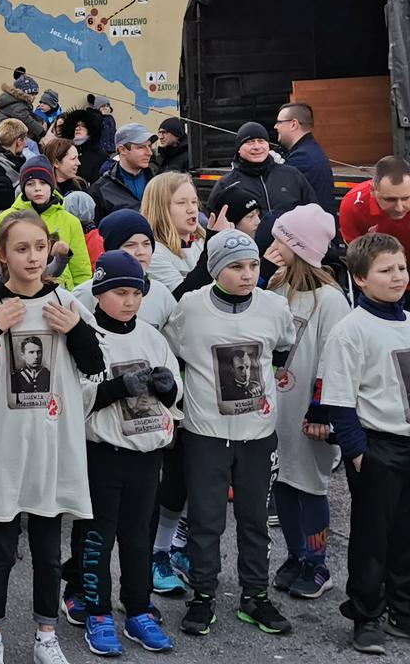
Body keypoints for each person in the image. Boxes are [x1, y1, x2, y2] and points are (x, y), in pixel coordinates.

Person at [0, 210, 104, 664]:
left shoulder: (68, 305)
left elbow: (96, 369)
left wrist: (75, 331)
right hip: (3, 448)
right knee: (0, 551)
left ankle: (45, 636)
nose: (33, 257)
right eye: (21, 248)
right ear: (1, 254)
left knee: (47, 552)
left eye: (39, 246)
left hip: (52, 447)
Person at [164, 229, 294, 638]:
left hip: (258, 432)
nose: (247, 274)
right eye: (236, 266)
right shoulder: (191, 307)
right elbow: (174, 350)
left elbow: (282, 348)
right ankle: (203, 594)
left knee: (255, 519)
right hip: (206, 432)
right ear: (215, 268)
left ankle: (255, 595)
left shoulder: (274, 306)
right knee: (206, 519)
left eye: (253, 265)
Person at [66, 251, 181, 655]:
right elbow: (73, 396)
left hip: (146, 453)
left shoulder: (152, 335)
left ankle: (138, 609)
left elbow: (175, 391)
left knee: (137, 538)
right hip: (104, 453)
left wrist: (167, 387)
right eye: (119, 292)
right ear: (99, 292)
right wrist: (117, 388)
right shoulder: (86, 335)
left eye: (136, 292)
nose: (130, 301)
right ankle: (96, 611)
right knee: (98, 536)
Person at [315, 232, 410, 653]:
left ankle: (402, 611)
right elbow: (339, 400)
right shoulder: (351, 330)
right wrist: (357, 454)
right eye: (386, 271)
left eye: (402, 268)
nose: (397, 277)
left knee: (406, 535)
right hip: (377, 447)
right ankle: (366, 615)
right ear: (360, 278)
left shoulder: (409, 322)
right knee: (373, 537)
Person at [261, 204, 349, 601]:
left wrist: (322, 410)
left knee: (311, 486)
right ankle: (296, 555)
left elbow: (335, 359)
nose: (274, 244)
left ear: (300, 246)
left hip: (308, 412)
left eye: (282, 238)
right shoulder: (278, 284)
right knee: (283, 480)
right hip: (277, 405)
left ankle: (318, 563)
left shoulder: (331, 300)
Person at [0, 157, 92, 291]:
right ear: (23, 187)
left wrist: (80, 297)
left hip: (61, 293)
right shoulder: (4, 219)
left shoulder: (70, 221)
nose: (37, 189)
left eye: (43, 183)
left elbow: (81, 269)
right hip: (18, 291)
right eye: (30, 184)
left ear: (51, 185)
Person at [207, 122, 317, 227]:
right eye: (249, 142)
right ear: (239, 149)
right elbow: (213, 221)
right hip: (249, 246)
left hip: (289, 245)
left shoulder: (292, 175)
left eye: (261, 141)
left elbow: (313, 212)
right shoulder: (226, 184)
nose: (257, 146)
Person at [141, 172, 218, 296]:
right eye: (182, 203)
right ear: (160, 209)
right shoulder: (153, 253)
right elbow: (181, 296)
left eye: (194, 202)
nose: (192, 209)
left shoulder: (202, 242)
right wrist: (212, 249)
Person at [275, 102, 334, 215]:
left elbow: (283, 198)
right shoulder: (309, 149)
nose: (275, 127)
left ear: (293, 124)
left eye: (279, 122)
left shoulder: (301, 158)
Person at [90, 124, 157, 221]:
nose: (149, 152)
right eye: (141, 147)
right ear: (122, 149)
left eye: (150, 146)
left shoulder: (158, 182)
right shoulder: (100, 189)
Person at [339, 154, 410, 246]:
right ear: (372, 190)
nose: (399, 208)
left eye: (406, 198)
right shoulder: (352, 206)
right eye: (390, 200)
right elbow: (357, 255)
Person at [0, 67, 46, 144]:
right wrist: (42, 132)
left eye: (35, 94)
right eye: (32, 94)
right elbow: (26, 120)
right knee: (32, 144)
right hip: (1, 136)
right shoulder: (17, 105)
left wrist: (41, 120)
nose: (34, 96)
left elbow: (30, 115)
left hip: (5, 132)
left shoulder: (18, 101)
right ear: (23, 93)